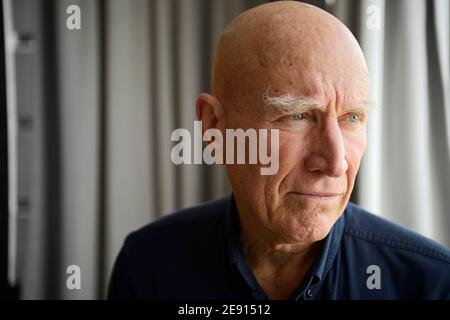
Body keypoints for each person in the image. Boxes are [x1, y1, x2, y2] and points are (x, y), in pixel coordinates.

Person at [107, 1, 450, 299]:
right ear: (213, 127)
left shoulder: (431, 282)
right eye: (298, 115)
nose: (335, 163)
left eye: (352, 117)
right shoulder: (147, 265)